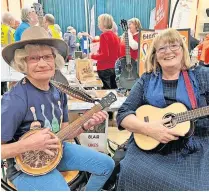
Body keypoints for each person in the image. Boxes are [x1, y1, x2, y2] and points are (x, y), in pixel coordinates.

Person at [1, 26, 115, 191]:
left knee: (106, 165)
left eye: (47, 56)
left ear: (55, 60)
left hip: (57, 152)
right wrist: (29, 145)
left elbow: (63, 134)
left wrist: (85, 125)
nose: (42, 63)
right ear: (23, 63)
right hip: (25, 168)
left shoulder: (59, 90)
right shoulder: (15, 99)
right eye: (34, 58)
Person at [116, 28, 209, 190]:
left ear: (183, 50)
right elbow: (123, 114)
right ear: (155, 56)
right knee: (129, 172)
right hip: (150, 145)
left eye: (174, 46)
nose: (168, 52)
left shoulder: (201, 75)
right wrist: (149, 129)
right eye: (162, 48)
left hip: (194, 146)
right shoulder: (146, 80)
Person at [89, 14, 120, 89]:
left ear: (103, 24)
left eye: (99, 22)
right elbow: (118, 54)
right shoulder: (116, 36)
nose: (98, 24)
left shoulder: (103, 36)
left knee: (105, 91)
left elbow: (105, 55)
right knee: (113, 90)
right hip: (114, 67)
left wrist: (92, 55)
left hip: (104, 69)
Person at [115, 18, 142, 91]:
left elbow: (134, 46)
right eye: (128, 24)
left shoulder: (138, 35)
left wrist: (128, 34)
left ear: (136, 25)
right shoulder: (128, 36)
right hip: (122, 63)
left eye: (130, 24)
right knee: (120, 82)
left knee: (133, 84)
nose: (128, 26)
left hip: (133, 64)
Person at [1, 12, 16, 95]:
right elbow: (13, 47)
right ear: (10, 21)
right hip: (7, 58)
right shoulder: (11, 31)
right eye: (13, 20)